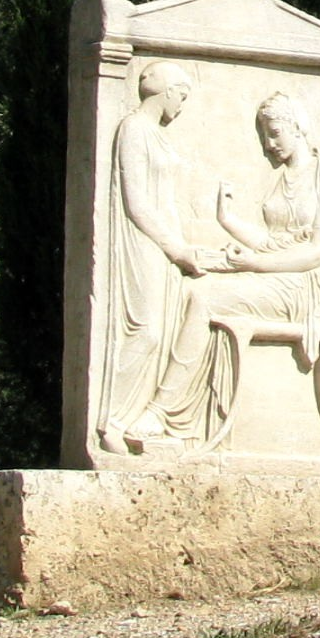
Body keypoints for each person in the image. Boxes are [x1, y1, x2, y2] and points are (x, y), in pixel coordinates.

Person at [142, 90, 320, 446]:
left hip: (306, 286)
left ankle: (161, 411)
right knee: (195, 280)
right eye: (263, 135)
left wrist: (254, 264)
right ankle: (185, 417)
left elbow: (318, 252)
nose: (268, 144)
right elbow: (271, 242)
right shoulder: (283, 178)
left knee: (206, 297)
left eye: (275, 132)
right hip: (278, 274)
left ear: (297, 127)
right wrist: (228, 220)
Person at [97, 60, 209, 453]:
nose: (181, 104)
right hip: (142, 242)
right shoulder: (134, 129)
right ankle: (112, 420)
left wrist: (186, 247)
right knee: (145, 330)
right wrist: (175, 248)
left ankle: (138, 424)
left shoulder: (159, 136)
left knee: (163, 332)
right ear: (164, 89)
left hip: (167, 247)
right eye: (181, 94)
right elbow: (137, 202)